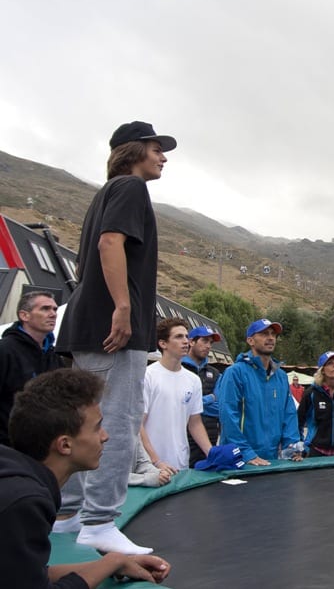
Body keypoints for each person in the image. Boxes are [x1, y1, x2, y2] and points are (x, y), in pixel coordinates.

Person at [57, 121, 175, 555]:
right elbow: (111, 243)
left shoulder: (103, 194)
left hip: (89, 324)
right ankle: (100, 520)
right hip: (112, 327)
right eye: (156, 148)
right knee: (118, 418)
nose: (162, 156)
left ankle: (68, 513)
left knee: (85, 419)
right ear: (134, 151)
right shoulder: (130, 188)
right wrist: (123, 307)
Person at [1, 368, 171, 587]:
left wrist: (114, 563)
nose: (105, 436)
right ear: (65, 445)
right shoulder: (23, 502)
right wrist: (111, 561)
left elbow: (27, 577)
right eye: (97, 427)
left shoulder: (17, 479)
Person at [218, 319, 305, 465]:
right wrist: (246, 453)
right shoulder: (235, 373)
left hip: (270, 459)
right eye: (264, 334)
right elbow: (227, 416)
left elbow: (289, 414)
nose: (271, 338)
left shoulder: (281, 376)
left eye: (273, 334)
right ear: (250, 340)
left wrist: (291, 447)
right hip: (240, 459)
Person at [139, 317, 212, 472]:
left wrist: (211, 453)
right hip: (151, 467)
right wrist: (156, 461)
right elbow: (138, 425)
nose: (186, 341)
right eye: (179, 337)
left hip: (181, 464)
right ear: (163, 343)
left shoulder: (193, 380)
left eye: (186, 336)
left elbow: (195, 423)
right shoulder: (148, 376)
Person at [0, 290, 61, 446]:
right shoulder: (5, 350)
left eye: (54, 309)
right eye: (45, 309)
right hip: (7, 447)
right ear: (24, 315)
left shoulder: (53, 357)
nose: (53, 314)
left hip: (42, 446)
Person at [181, 325, 223, 467]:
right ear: (191, 342)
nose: (208, 346)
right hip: (183, 438)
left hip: (209, 438)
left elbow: (219, 407)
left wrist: (192, 404)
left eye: (210, 343)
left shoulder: (215, 373)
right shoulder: (179, 369)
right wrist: (210, 398)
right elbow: (178, 403)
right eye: (204, 341)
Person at [297, 351, 334, 457]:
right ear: (322, 370)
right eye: (330, 363)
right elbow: (298, 422)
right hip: (316, 451)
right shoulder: (311, 393)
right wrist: (300, 447)